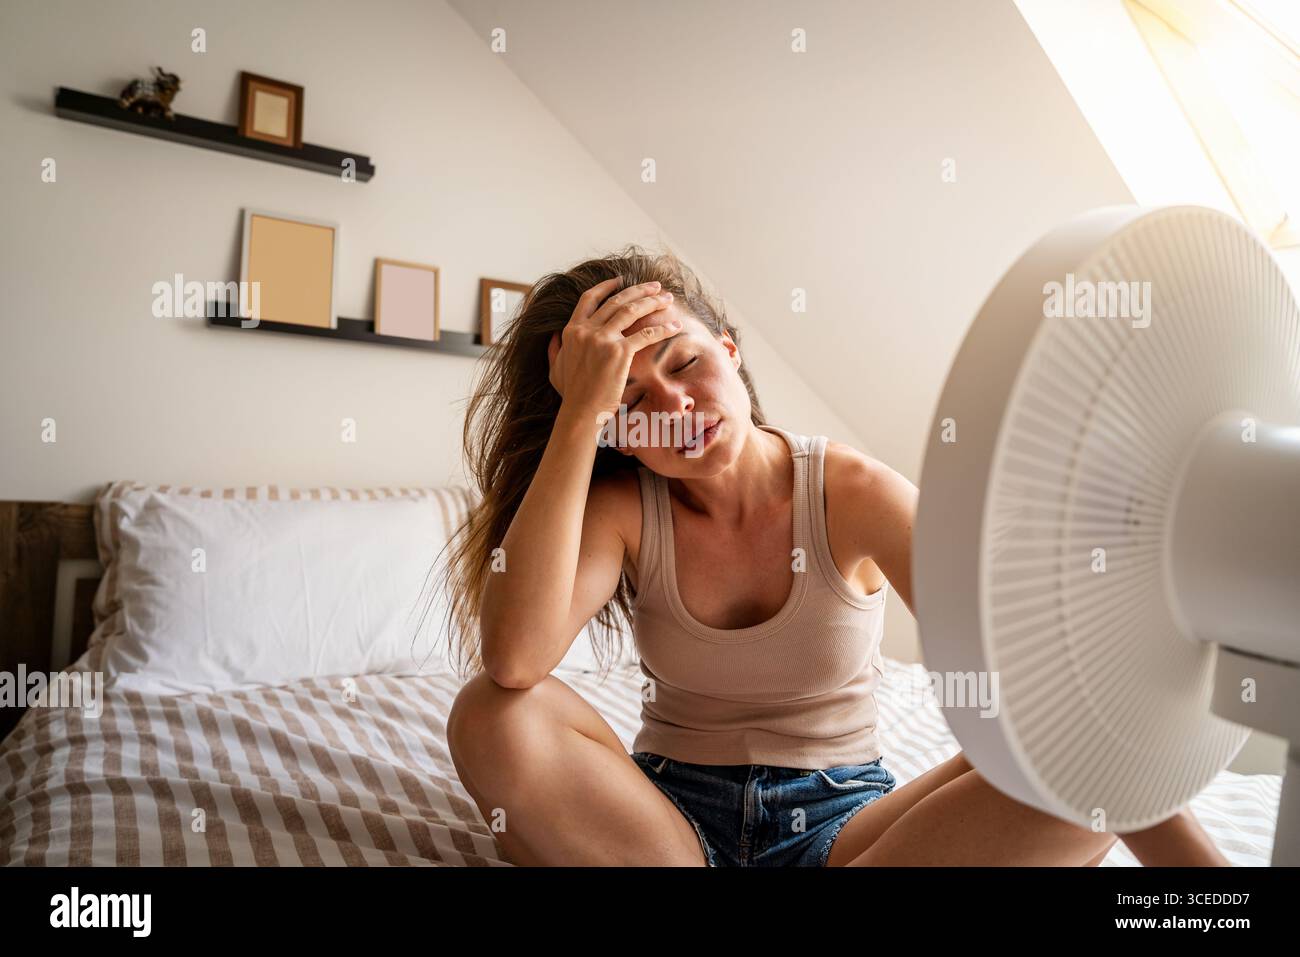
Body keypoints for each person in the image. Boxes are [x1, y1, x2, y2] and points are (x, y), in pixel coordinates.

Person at [441, 244, 1228, 867]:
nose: (675, 406)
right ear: (615, 431)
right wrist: (581, 412)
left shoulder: (851, 492)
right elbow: (515, 658)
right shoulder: (623, 510)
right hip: (667, 831)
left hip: (848, 831)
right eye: (633, 399)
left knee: (1083, 736)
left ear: (729, 349)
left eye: (683, 363)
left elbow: (1029, 676)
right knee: (491, 712)